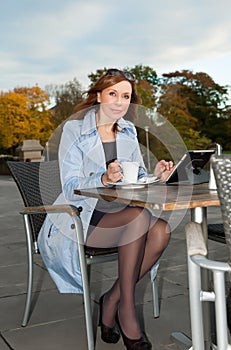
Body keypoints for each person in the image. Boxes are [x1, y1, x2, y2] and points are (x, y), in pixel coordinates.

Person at [38, 68, 174, 350]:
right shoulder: (74, 130)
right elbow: (71, 184)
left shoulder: (128, 131)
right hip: (79, 217)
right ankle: (127, 311)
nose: (119, 102)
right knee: (139, 218)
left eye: (125, 96)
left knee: (160, 231)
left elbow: (134, 178)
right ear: (99, 96)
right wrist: (102, 178)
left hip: (118, 214)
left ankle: (112, 299)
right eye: (113, 93)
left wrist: (156, 176)